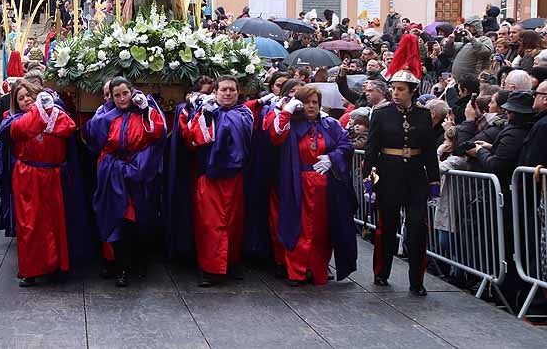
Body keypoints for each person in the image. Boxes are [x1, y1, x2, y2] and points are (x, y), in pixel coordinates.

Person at [362, 34, 440, 296]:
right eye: (393, 88)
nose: (395, 93)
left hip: (416, 178)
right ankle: (381, 273)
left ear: (412, 92)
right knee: (387, 229)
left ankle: (417, 280)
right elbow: (372, 150)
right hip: (389, 176)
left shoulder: (423, 115)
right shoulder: (381, 115)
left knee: (418, 228)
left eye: (400, 89)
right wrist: (368, 180)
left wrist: (433, 182)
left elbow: (429, 151)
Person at [269, 85, 357, 286]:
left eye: (315, 102)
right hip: (297, 183)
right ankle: (297, 272)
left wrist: (331, 157)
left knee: (321, 230)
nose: (311, 106)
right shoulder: (291, 124)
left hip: (324, 185)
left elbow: (346, 145)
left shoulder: (330, 125)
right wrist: (286, 111)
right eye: (307, 102)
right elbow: (275, 135)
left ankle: (317, 271)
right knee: (297, 227)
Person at [84, 77, 166, 287]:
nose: (121, 98)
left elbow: (157, 134)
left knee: (138, 219)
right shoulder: (105, 114)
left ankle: (138, 262)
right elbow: (94, 136)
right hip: (113, 174)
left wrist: (146, 110)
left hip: (140, 173)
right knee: (116, 218)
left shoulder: (144, 110)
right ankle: (120, 267)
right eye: (116, 95)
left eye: (125, 93)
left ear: (132, 92)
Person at [0, 78, 77, 286]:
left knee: (55, 222)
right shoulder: (12, 120)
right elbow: (20, 130)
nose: (25, 100)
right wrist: (40, 110)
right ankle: (30, 270)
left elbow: (68, 127)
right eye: (20, 98)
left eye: (28, 96)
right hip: (27, 175)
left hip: (52, 175)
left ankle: (57, 266)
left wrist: (47, 109)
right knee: (29, 225)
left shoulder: (55, 112)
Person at [180, 76, 253, 285]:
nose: (228, 93)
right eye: (224, 90)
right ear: (216, 92)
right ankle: (209, 269)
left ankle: (230, 263)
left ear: (238, 93)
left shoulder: (244, 113)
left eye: (232, 90)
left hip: (234, 177)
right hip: (209, 176)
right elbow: (195, 139)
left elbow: (245, 138)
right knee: (209, 224)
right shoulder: (205, 111)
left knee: (233, 223)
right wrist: (207, 116)